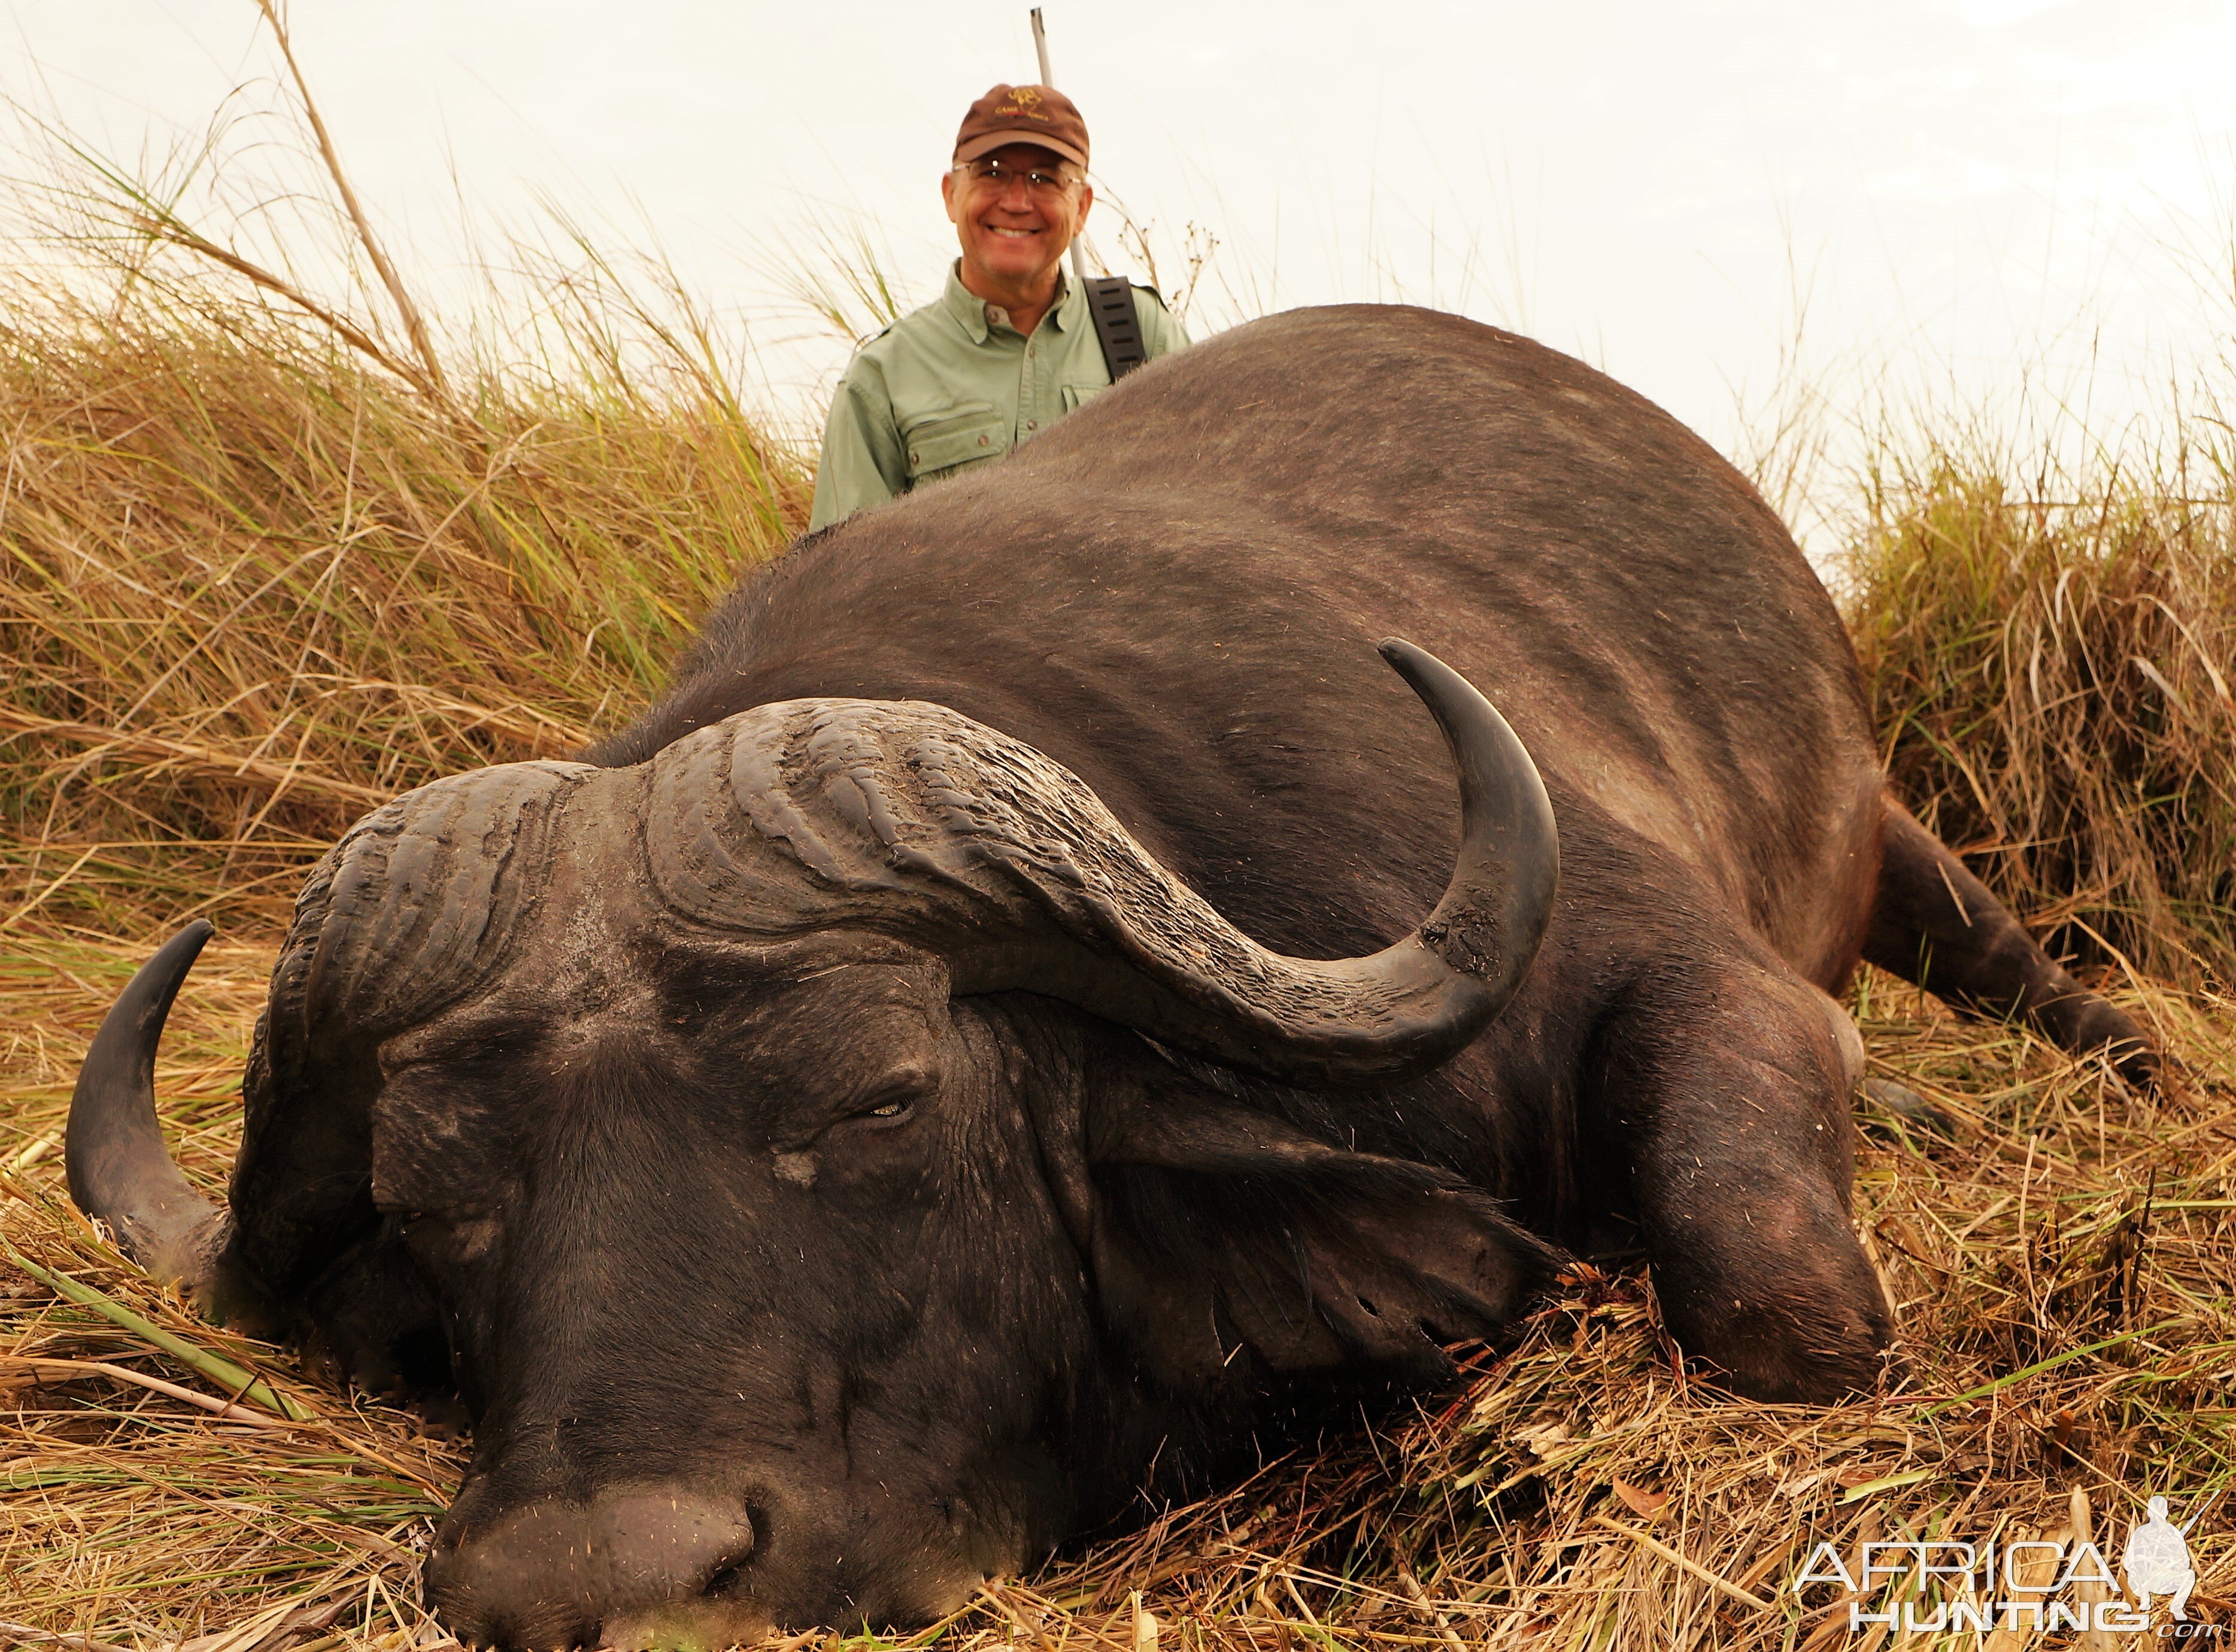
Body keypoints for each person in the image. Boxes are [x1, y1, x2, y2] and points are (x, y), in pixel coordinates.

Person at [808, 83, 1189, 531]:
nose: (1015, 201)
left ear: (1082, 208)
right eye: (991, 173)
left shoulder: (1146, 335)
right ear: (951, 194)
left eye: (1044, 179)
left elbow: (1206, 519)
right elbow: (845, 581)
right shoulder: (881, 378)